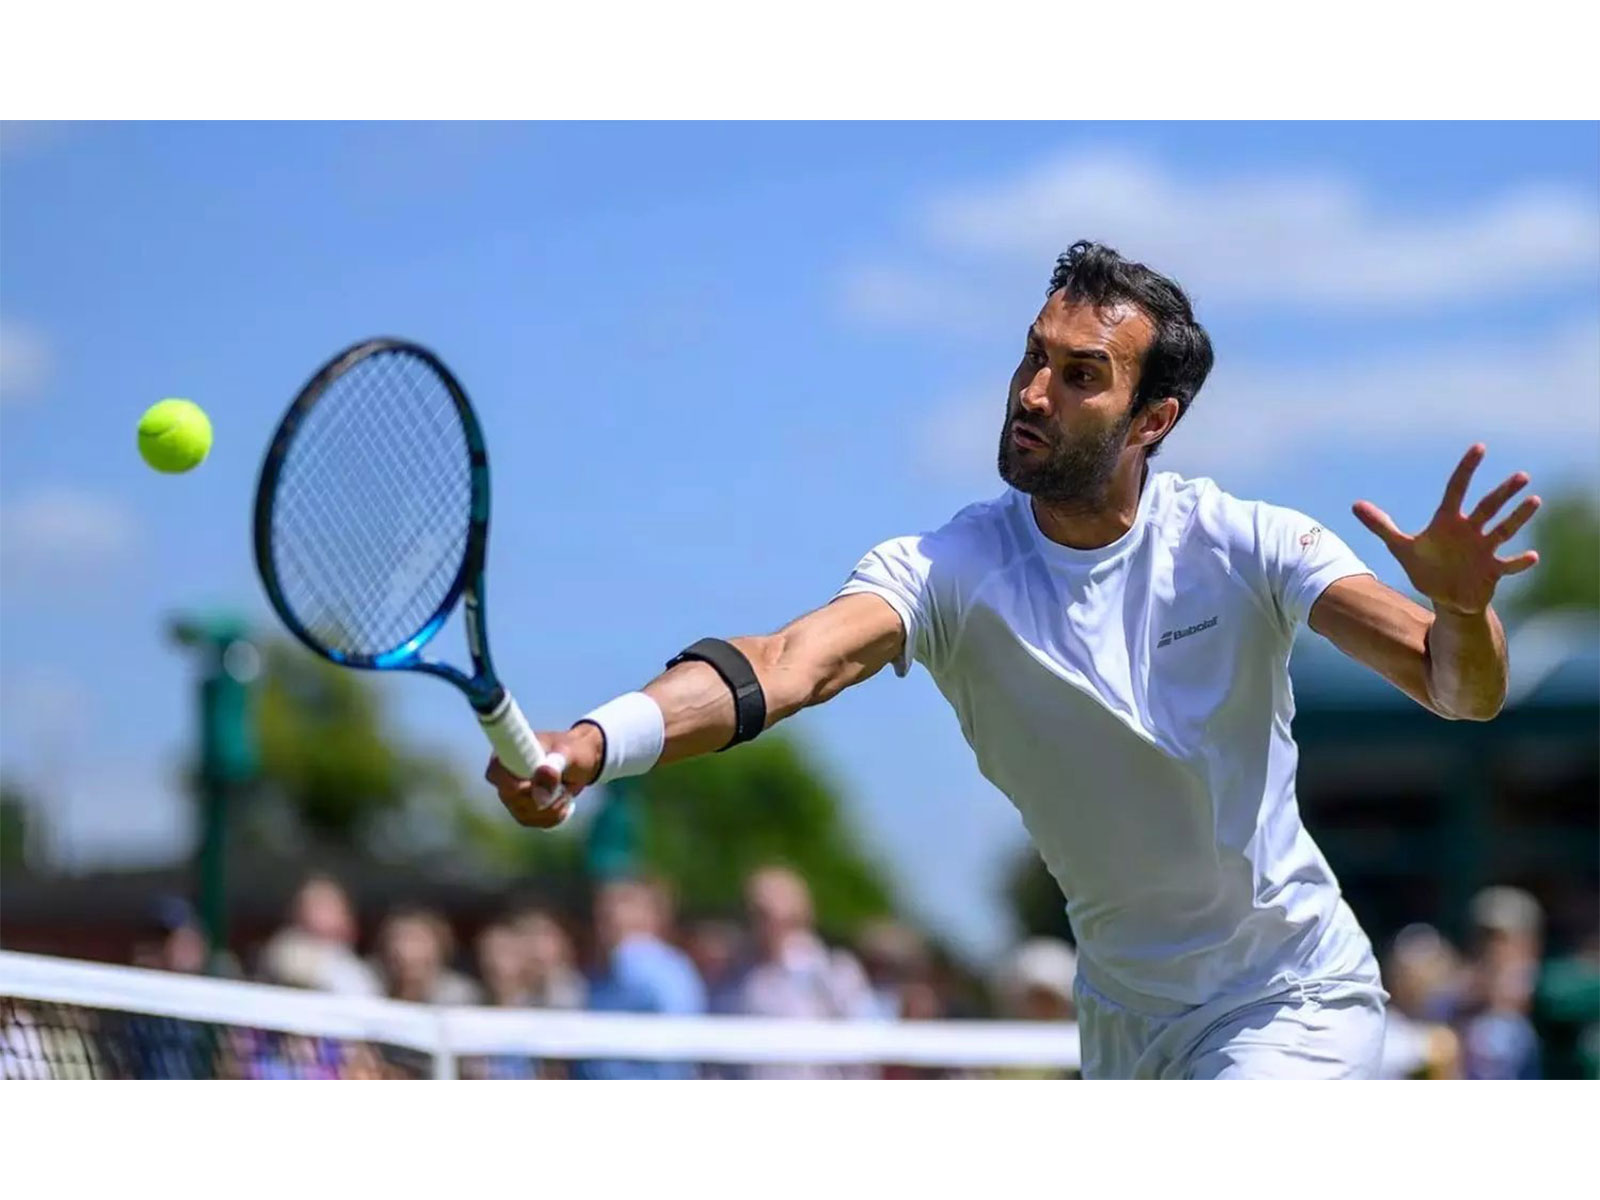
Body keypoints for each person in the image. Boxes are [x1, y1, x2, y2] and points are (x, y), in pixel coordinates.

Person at [486, 240, 1541, 1080]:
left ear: (1152, 421)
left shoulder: (1247, 543)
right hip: (1123, 1026)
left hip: (1290, 1003)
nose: (1032, 392)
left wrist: (1458, 607)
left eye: (1080, 376)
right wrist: (593, 743)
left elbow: (1456, 686)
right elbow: (783, 662)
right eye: (1033, 356)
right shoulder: (948, 569)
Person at [574, 878, 706, 1080]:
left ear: (654, 916)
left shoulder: (668, 970)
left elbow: (678, 1040)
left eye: (625, 903)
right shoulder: (598, 973)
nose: (613, 914)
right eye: (607, 907)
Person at [255, 873, 380, 996]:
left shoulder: (358, 969)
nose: (317, 913)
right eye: (313, 905)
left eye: (327, 905)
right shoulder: (285, 952)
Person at [373, 906, 481, 1005]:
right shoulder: (370, 985)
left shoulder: (460, 996)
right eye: (395, 939)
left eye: (416, 939)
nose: (403, 950)